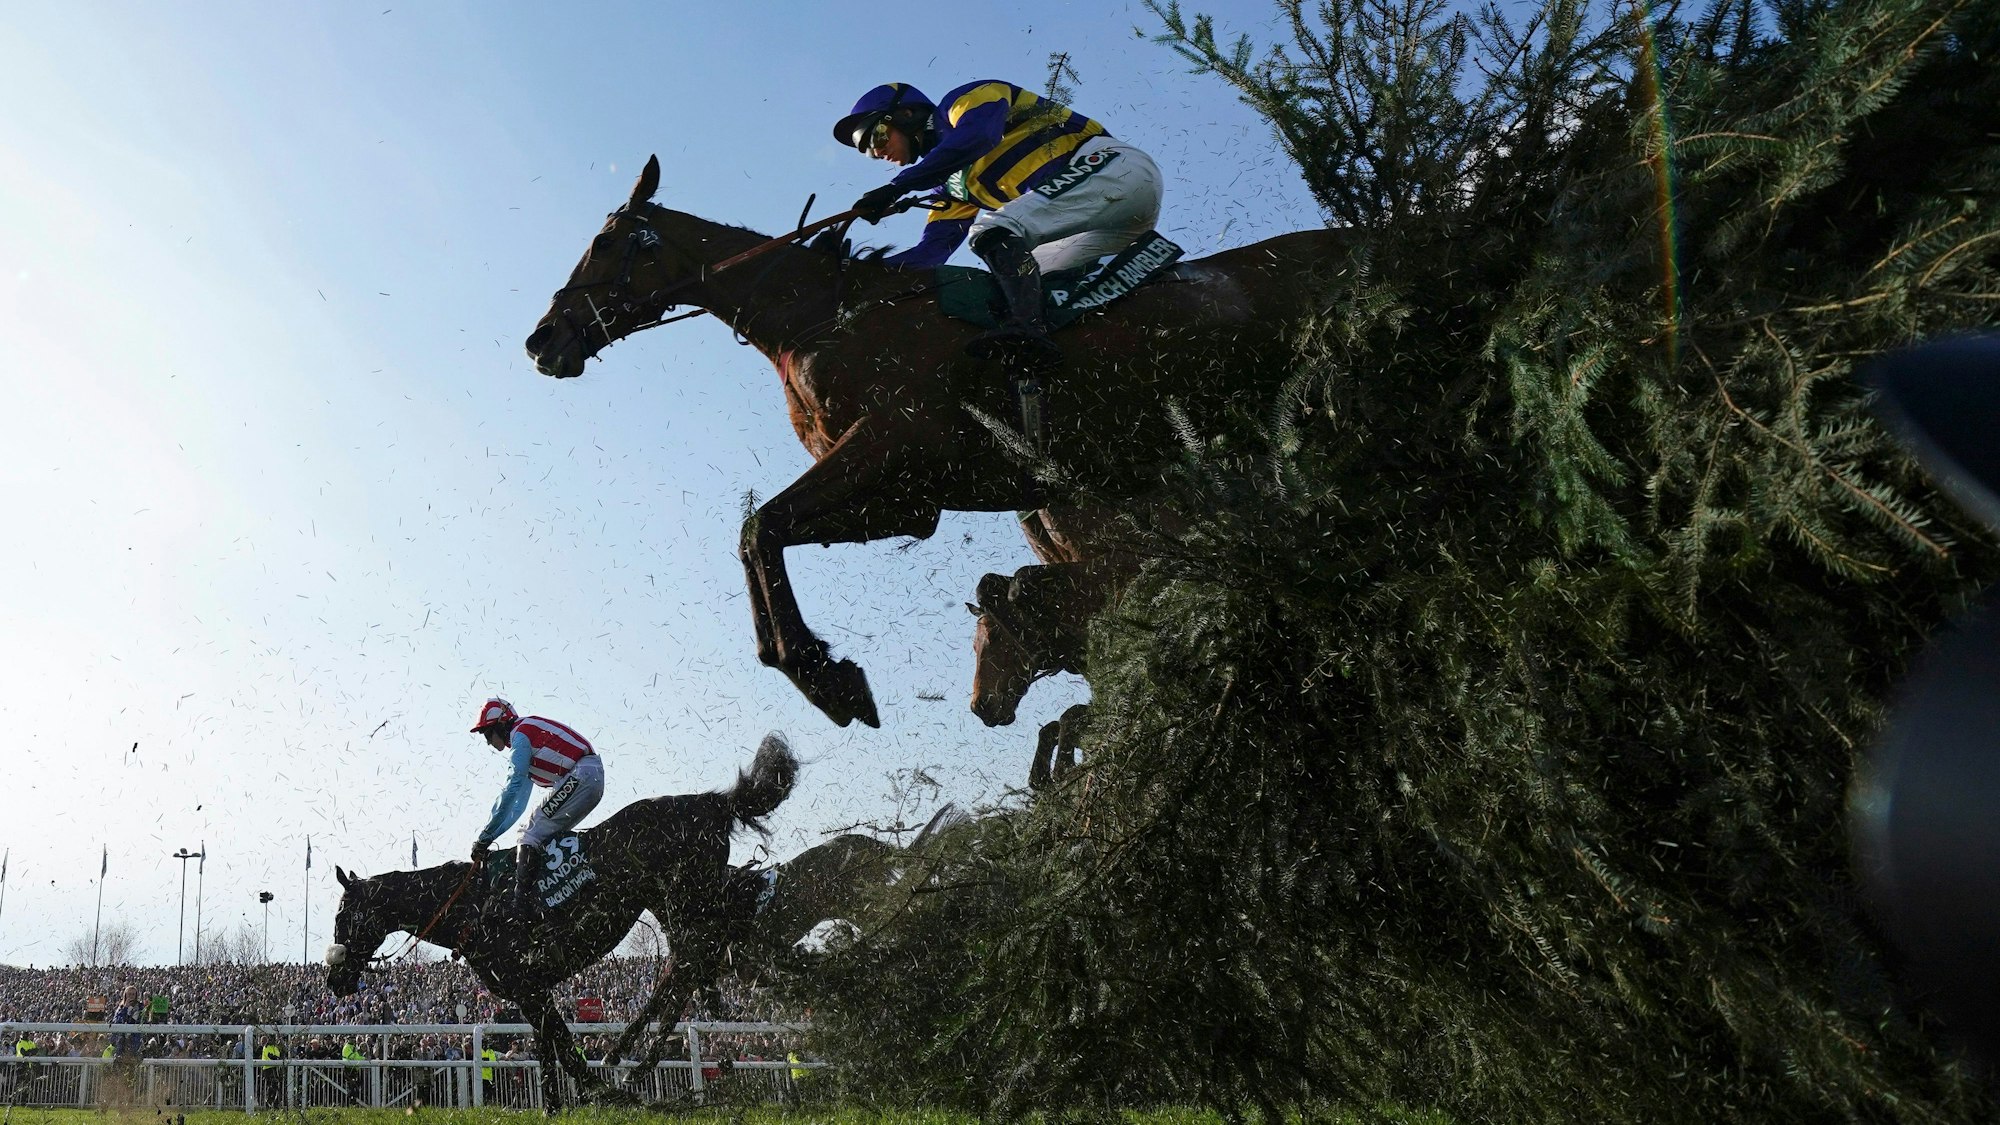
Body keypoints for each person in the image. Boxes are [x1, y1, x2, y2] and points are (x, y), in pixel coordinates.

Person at [835, 80, 1164, 367]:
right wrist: (860, 273)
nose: (879, 154)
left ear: (906, 114)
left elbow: (978, 137)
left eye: (876, 137)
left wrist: (898, 187)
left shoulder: (964, 100)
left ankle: (1026, 331)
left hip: (1114, 168)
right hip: (1099, 224)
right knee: (1031, 291)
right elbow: (931, 252)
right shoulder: (948, 187)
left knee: (991, 230)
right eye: (869, 153)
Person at [466, 698, 605, 916]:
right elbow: (518, 803)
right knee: (540, 832)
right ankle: (564, 890)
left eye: (487, 734)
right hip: (587, 775)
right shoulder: (525, 734)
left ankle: (521, 907)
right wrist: (491, 835)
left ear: (501, 725)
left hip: (582, 776)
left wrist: (486, 836)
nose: (487, 742)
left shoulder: (520, 736)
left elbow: (512, 789)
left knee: (528, 834)